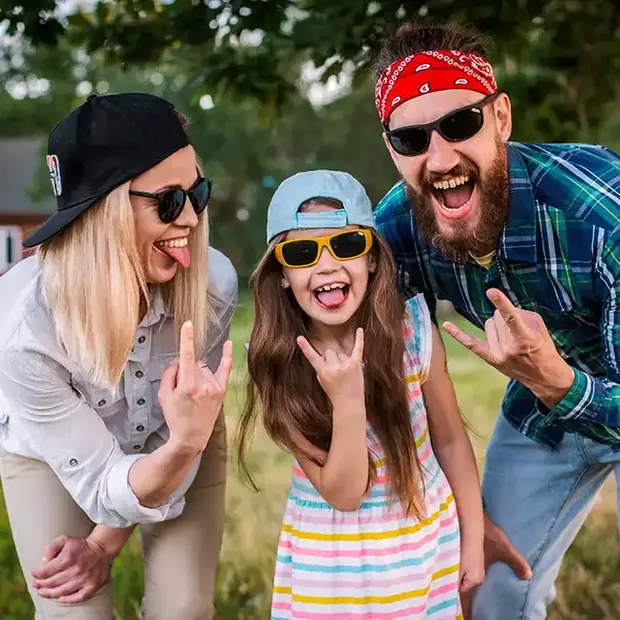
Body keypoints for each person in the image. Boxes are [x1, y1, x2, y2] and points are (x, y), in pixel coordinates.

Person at [373, 21, 620, 619]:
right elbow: (387, 380)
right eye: (411, 139)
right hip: (541, 413)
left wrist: (559, 381)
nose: (440, 158)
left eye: (460, 124)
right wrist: (463, 510)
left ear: (501, 119)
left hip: (587, 387)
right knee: (491, 589)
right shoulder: (397, 231)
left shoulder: (602, 216)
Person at [0, 92, 238, 619]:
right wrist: (96, 543)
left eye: (198, 193)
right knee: (72, 614)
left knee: (183, 609)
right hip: (53, 455)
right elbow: (100, 482)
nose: (193, 220)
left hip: (180, 434)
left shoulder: (213, 285)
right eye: (170, 201)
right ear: (103, 210)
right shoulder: (23, 332)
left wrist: (182, 445)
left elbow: (173, 441)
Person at [237, 169, 484, 619]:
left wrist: (475, 537)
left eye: (348, 245)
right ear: (281, 276)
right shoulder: (279, 361)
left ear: (372, 259)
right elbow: (346, 493)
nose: (327, 265)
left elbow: (449, 441)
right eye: (302, 252)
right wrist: (347, 400)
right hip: (333, 574)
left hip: (424, 549)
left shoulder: (412, 332)